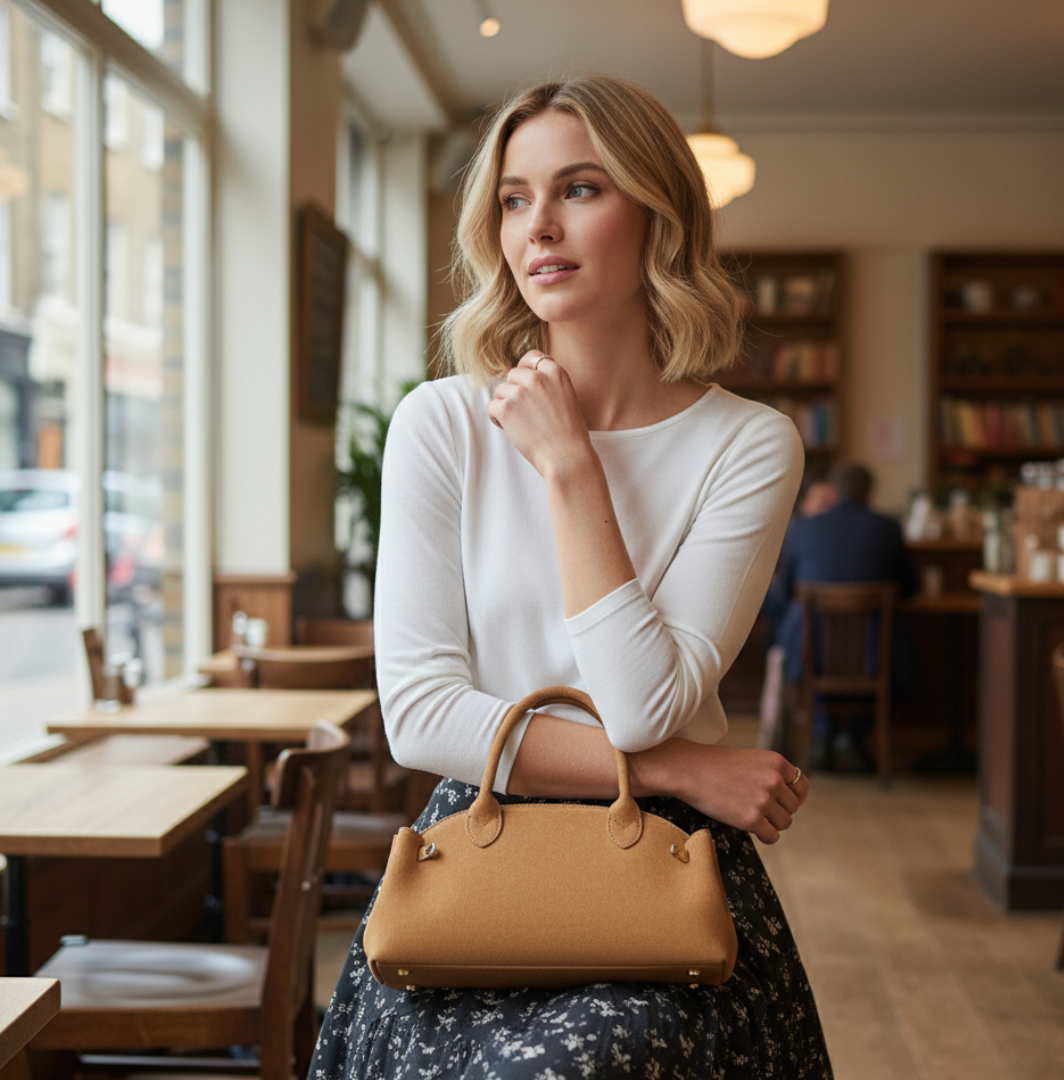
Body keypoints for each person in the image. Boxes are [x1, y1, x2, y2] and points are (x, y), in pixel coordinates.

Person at [311, 74, 832, 1078]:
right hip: (479, 847)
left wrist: (569, 466)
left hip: (663, 874)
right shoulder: (443, 424)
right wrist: (682, 769)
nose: (537, 225)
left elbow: (639, 705)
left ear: (658, 216)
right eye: (514, 198)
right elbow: (420, 717)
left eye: (580, 189)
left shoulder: (749, 446)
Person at [774, 461, 918, 767]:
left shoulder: (803, 528)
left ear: (833, 493)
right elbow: (910, 587)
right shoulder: (888, 528)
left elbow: (787, 592)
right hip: (874, 656)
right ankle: (850, 736)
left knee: (805, 633)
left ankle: (824, 733)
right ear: (870, 494)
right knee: (881, 639)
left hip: (813, 654)